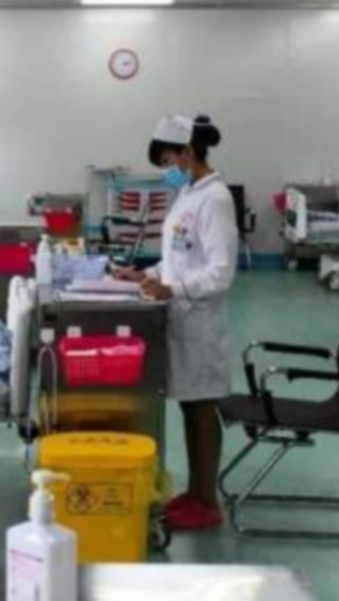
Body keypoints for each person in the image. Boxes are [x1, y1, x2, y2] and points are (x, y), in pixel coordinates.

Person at [115, 114, 238, 531]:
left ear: (188, 151)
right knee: (189, 406)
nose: (166, 170)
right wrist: (145, 275)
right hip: (181, 318)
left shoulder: (215, 199)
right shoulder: (187, 194)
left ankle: (208, 503)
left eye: (168, 160)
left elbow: (220, 273)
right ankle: (195, 493)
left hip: (200, 324)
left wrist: (174, 289)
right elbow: (178, 259)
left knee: (202, 410)